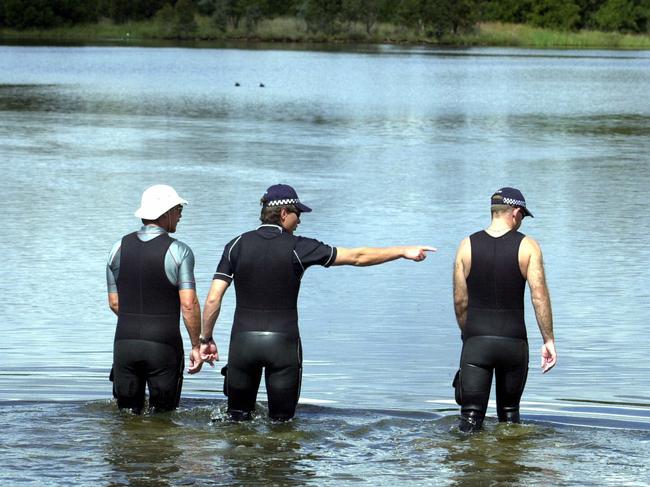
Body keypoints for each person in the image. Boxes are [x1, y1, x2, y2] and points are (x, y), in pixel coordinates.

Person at [200, 184, 435, 421]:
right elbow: (357, 257)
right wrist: (402, 250)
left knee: (236, 420)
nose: (299, 221)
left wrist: (205, 339)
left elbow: (213, 298)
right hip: (283, 345)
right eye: (298, 214)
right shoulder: (298, 247)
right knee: (282, 425)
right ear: (283, 214)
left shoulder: (235, 245)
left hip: (243, 344)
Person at [452, 187, 556, 432]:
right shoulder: (528, 246)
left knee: (469, 419)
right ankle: (509, 465)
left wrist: (468, 334)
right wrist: (548, 339)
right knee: (510, 419)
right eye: (522, 216)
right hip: (513, 343)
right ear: (516, 213)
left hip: (476, 341)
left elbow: (460, 301)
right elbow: (539, 296)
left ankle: (467, 463)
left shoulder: (466, 245)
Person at [106, 184, 203, 413]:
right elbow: (188, 305)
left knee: (127, 416)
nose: (180, 215)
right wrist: (197, 345)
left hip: (124, 344)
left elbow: (114, 303)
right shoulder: (180, 251)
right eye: (178, 209)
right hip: (163, 346)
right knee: (164, 418)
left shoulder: (117, 248)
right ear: (166, 212)